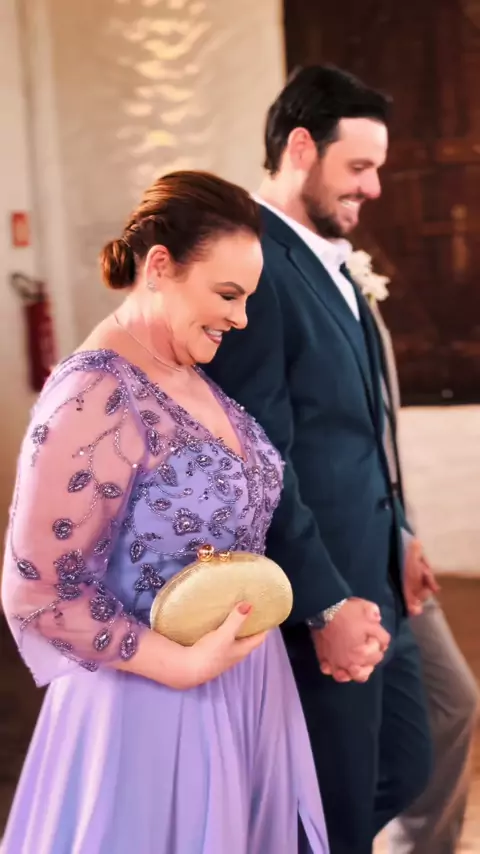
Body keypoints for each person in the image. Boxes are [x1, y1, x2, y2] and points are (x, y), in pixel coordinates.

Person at [1, 170, 329, 854]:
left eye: (247, 299)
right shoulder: (93, 397)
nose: (241, 318)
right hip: (150, 707)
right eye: (227, 294)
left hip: (245, 687)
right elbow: (37, 591)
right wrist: (179, 667)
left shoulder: (182, 369)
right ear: (159, 267)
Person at [205, 66, 433, 854]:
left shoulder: (330, 258)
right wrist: (323, 604)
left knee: (406, 761)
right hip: (324, 592)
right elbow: (257, 456)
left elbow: (360, 428)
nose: (373, 188)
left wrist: (401, 532)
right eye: (359, 166)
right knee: (333, 809)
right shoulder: (254, 265)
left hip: (378, 569)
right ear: (301, 148)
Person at [368, 301, 480, 854]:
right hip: (341, 561)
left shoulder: (349, 277)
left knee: (453, 704)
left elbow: (376, 435)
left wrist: (404, 531)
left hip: (392, 542)